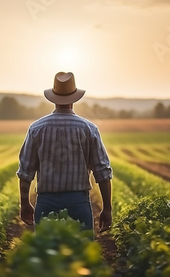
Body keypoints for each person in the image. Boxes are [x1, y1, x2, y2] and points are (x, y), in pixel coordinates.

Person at [16, 72, 113, 234]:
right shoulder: (89, 129)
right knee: (81, 255)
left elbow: (25, 172)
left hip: (45, 203)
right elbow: (103, 172)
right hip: (78, 203)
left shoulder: (36, 128)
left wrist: (25, 203)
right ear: (74, 99)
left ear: (53, 98)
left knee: (46, 254)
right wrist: (107, 209)